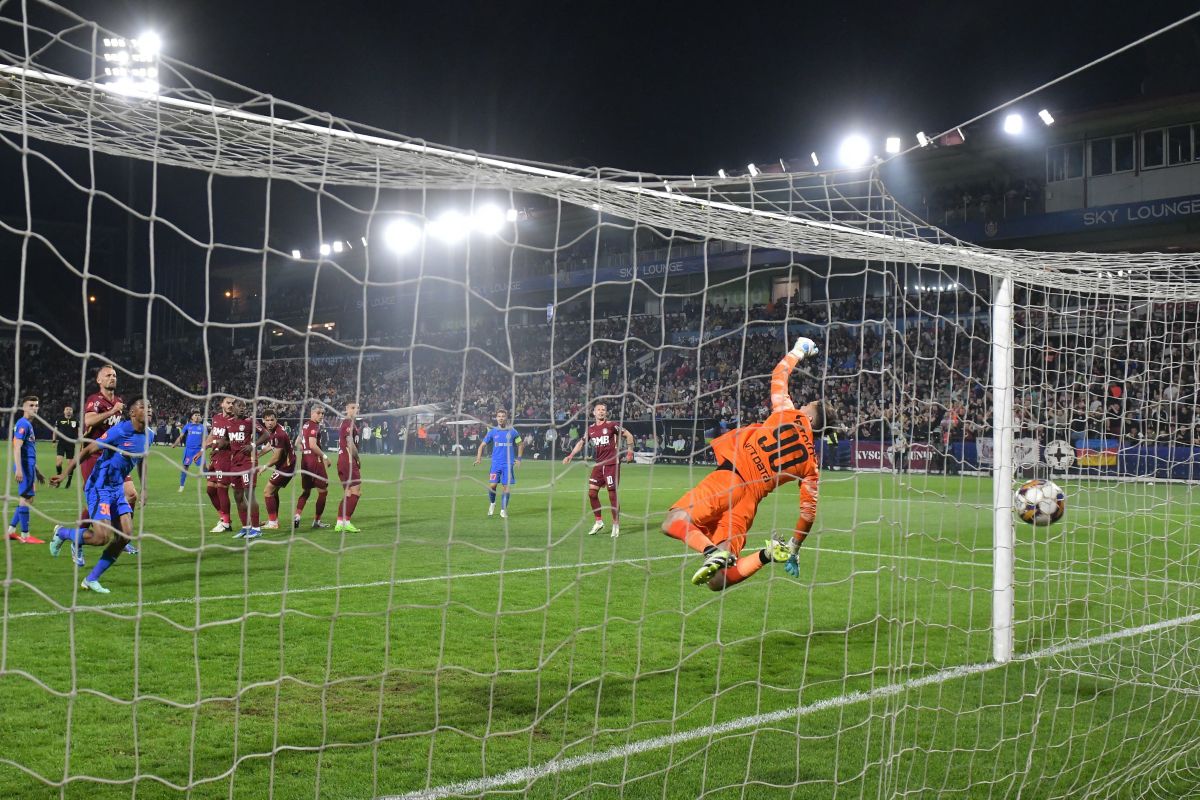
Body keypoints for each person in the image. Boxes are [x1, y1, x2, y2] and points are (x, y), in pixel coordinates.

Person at [660, 337, 834, 591]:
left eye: (809, 404)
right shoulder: (811, 464)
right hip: (749, 502)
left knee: (672, 521)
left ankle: (710, 551)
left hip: (730, 478)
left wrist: (798, 351)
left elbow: (779, 375)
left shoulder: (788, 413)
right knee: (718, 581)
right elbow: (808, 514)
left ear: (809, 415)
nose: (804, 404)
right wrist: (795, 549)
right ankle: (766, 555)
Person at [49, 398, 154, 593]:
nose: (149, 410)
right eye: (143, 407)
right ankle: (62, 533)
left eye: (150, 407)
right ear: (132, 413)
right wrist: (65, 474)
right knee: (101, 537)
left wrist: (145, 487)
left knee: (125, 536)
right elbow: (89, 449)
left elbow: (142, 459)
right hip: (100, 486)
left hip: (117, 488)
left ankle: (91, 579)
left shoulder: (150, 435)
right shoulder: (120, 431)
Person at [562, 403, 634, 538]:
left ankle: (615, 524)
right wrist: (571, 455)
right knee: (591, 493)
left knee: (612, 494)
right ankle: (599, 522)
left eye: (603, 410)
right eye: (599, 410)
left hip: (612, 463)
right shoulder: (591, 429)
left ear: (606, 413)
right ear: (593, 413)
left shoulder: (612, 425)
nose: (601, 412)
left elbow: (629, 435)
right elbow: (581, 443)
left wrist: (630, 452)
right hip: (599, 464)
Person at [8, 396, 46, 543]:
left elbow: (27, 450)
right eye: (31, 405)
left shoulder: (27, 424)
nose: (35, 408)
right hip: (23, 467)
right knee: (26, 498)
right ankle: (25, 535)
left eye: (36, 405)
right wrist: (19, 469)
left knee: (28, 498)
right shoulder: (23, 424)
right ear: (24, 408)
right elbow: (17, 447)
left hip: (28, 466)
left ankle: (11, 530)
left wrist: (37, 471)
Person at [474, 409, 524, 518]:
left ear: (506, 418)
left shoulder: (512, 431)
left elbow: (520, 444)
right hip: (496, 464)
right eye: (499, 416)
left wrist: (519, 459)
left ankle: (503, 510)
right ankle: (492, 504)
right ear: (496, 418)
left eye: (503, 416)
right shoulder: (492, 432)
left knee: (506, 488)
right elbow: (482, 445)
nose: (501, 418)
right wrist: (479, 458)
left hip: (508, 464)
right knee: (492, 486)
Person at [224, 399, 261, 539]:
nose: (242, 409)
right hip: (234, 464)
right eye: (240, 406)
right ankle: (246, 527)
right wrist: (221, 443)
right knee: (238, 496)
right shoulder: (228, 423)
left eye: (244, 407)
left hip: (247, 463)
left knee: (249, 494)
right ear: (233, 407)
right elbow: (227, 439)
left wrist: (253, 445)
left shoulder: (249, 422)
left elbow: (265, 434)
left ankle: (257, 529)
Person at [294, 404, 332, 530]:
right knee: (323, 491)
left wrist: (305, 451)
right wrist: (325, 457)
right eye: (318, 413)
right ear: (312, 413)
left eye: (323, 413)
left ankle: (297, 516)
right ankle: (316, 521)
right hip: (315, 462)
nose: (321, 415)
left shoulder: (304, 425)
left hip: (304, 461)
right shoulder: (314, 426)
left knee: (306, 491)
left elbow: (297, 443)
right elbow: (313, 445)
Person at [258, 409, 294, 530]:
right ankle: (274, 520)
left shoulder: (279, 433)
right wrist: (257, 455)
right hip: (283, 466)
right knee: (273, 492)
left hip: (286, 467)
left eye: (272, 420)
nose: (269, 422)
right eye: (267, 420)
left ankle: (273, 523)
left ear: (276, 420)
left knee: (267, 491)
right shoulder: (272, 431)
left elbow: (277, 455)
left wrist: (264, 467)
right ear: (263, 421)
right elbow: (270, 446)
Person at [206, 395, 237, 532]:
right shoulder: (216, 418)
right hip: (215, 457)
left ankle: (226, 523)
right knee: (210, 489)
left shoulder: (235, 421)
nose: (231, 405)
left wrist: (215, 445)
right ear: (222, 404)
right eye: (228, 403)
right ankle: (223, 518)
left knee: (221, 488)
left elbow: (234, 441)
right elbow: (213, 434)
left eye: (233, 403)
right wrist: (204, 447)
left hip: (227, 457)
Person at [335, 402, 363, 532]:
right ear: (346, 409)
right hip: (349, 461)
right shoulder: (348, 423)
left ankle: (340, 523)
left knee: (348, 493)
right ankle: (346, 521)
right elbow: (350, 444)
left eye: (357, 408)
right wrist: (358, 459)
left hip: (342, 461)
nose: (356, 410)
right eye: (353, 408)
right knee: (356, 492)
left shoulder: (349, 423)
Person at [174, 410, 206, 491]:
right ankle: (181, 486)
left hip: (198, 451)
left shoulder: (202, 427)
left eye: (199, 415)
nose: (197, 416)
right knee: (185, 467)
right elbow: (181, 436)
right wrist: (175, 443)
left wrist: (202, 450)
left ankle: (212, 484)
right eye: (195, 415)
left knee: (204, 468)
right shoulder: (187, 426)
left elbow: (205, 440)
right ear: (191, 417)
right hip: (188, 451)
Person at [52, 404, 78, 488]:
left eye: (70, 409)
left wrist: (81, 440)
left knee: (70, 464)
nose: (68, 411)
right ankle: (59, 479)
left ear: (72, 411)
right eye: (67, 409)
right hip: (61, 443)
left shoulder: (76, 421)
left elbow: (79, 431)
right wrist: (54, 441)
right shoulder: (59, 420)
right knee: (59, 463)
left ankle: (69, 481)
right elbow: (55, 431)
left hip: (71, 444)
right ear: (64, 411)